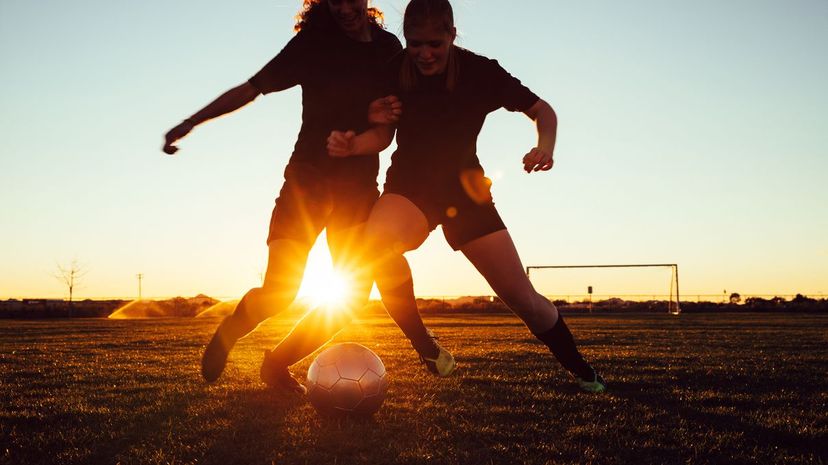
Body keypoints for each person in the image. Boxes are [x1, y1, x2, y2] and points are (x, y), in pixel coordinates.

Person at [162, 0, 453, 393]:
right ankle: (230, 332)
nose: (344, 8)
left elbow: (390, 126)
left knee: (354, 296)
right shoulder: (312, 44)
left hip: (357, 192)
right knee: (280, 292)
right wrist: (190, 122)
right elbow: (251, 89)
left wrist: (377, 122)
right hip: (307, 184)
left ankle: (278, 364)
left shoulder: (388, 51)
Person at [327, 0, 606, 392]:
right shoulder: (393, 71)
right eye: (415, 43)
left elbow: (542, 110)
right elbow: (382, 134)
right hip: (410, 189)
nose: (424, 54)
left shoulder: (480, 71)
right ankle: (425, 346)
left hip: (466, 194)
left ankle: (584, 372)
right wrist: (353, 143)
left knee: (523, 299)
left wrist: (545, 146)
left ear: (452, 36)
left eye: (434, 44)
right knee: (372, 248)